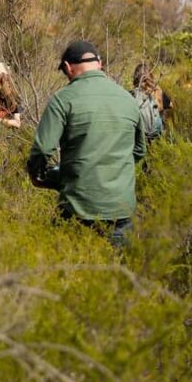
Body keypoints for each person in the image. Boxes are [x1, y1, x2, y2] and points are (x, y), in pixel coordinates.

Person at [27, 41, 146, 247]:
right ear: (99, 63)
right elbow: (139, 150)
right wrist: (113, 172)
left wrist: (37, 175)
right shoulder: (127, 99)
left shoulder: (63, 99)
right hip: (121, 210)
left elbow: (43, 149)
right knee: (118, 267)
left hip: (78, 209)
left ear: (68, 67)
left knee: (71, 265)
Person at [131, 63, 173, 142]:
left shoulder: (134, 94)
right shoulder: (157, 90)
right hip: (156, 131)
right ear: (150, 75)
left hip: (141, 132)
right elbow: (170, 105)